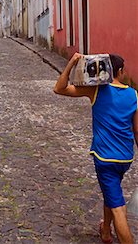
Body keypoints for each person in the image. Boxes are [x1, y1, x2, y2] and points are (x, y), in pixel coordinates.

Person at [54, 53, 138, 244]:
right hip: (125, 158)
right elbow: (137, 130)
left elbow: (59, 88)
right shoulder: (134, 95)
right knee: (112, 192)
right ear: (120, 71)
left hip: (105, 159)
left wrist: (72, 63)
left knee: (119, 209)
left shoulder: (97, 91)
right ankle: (106, 231)